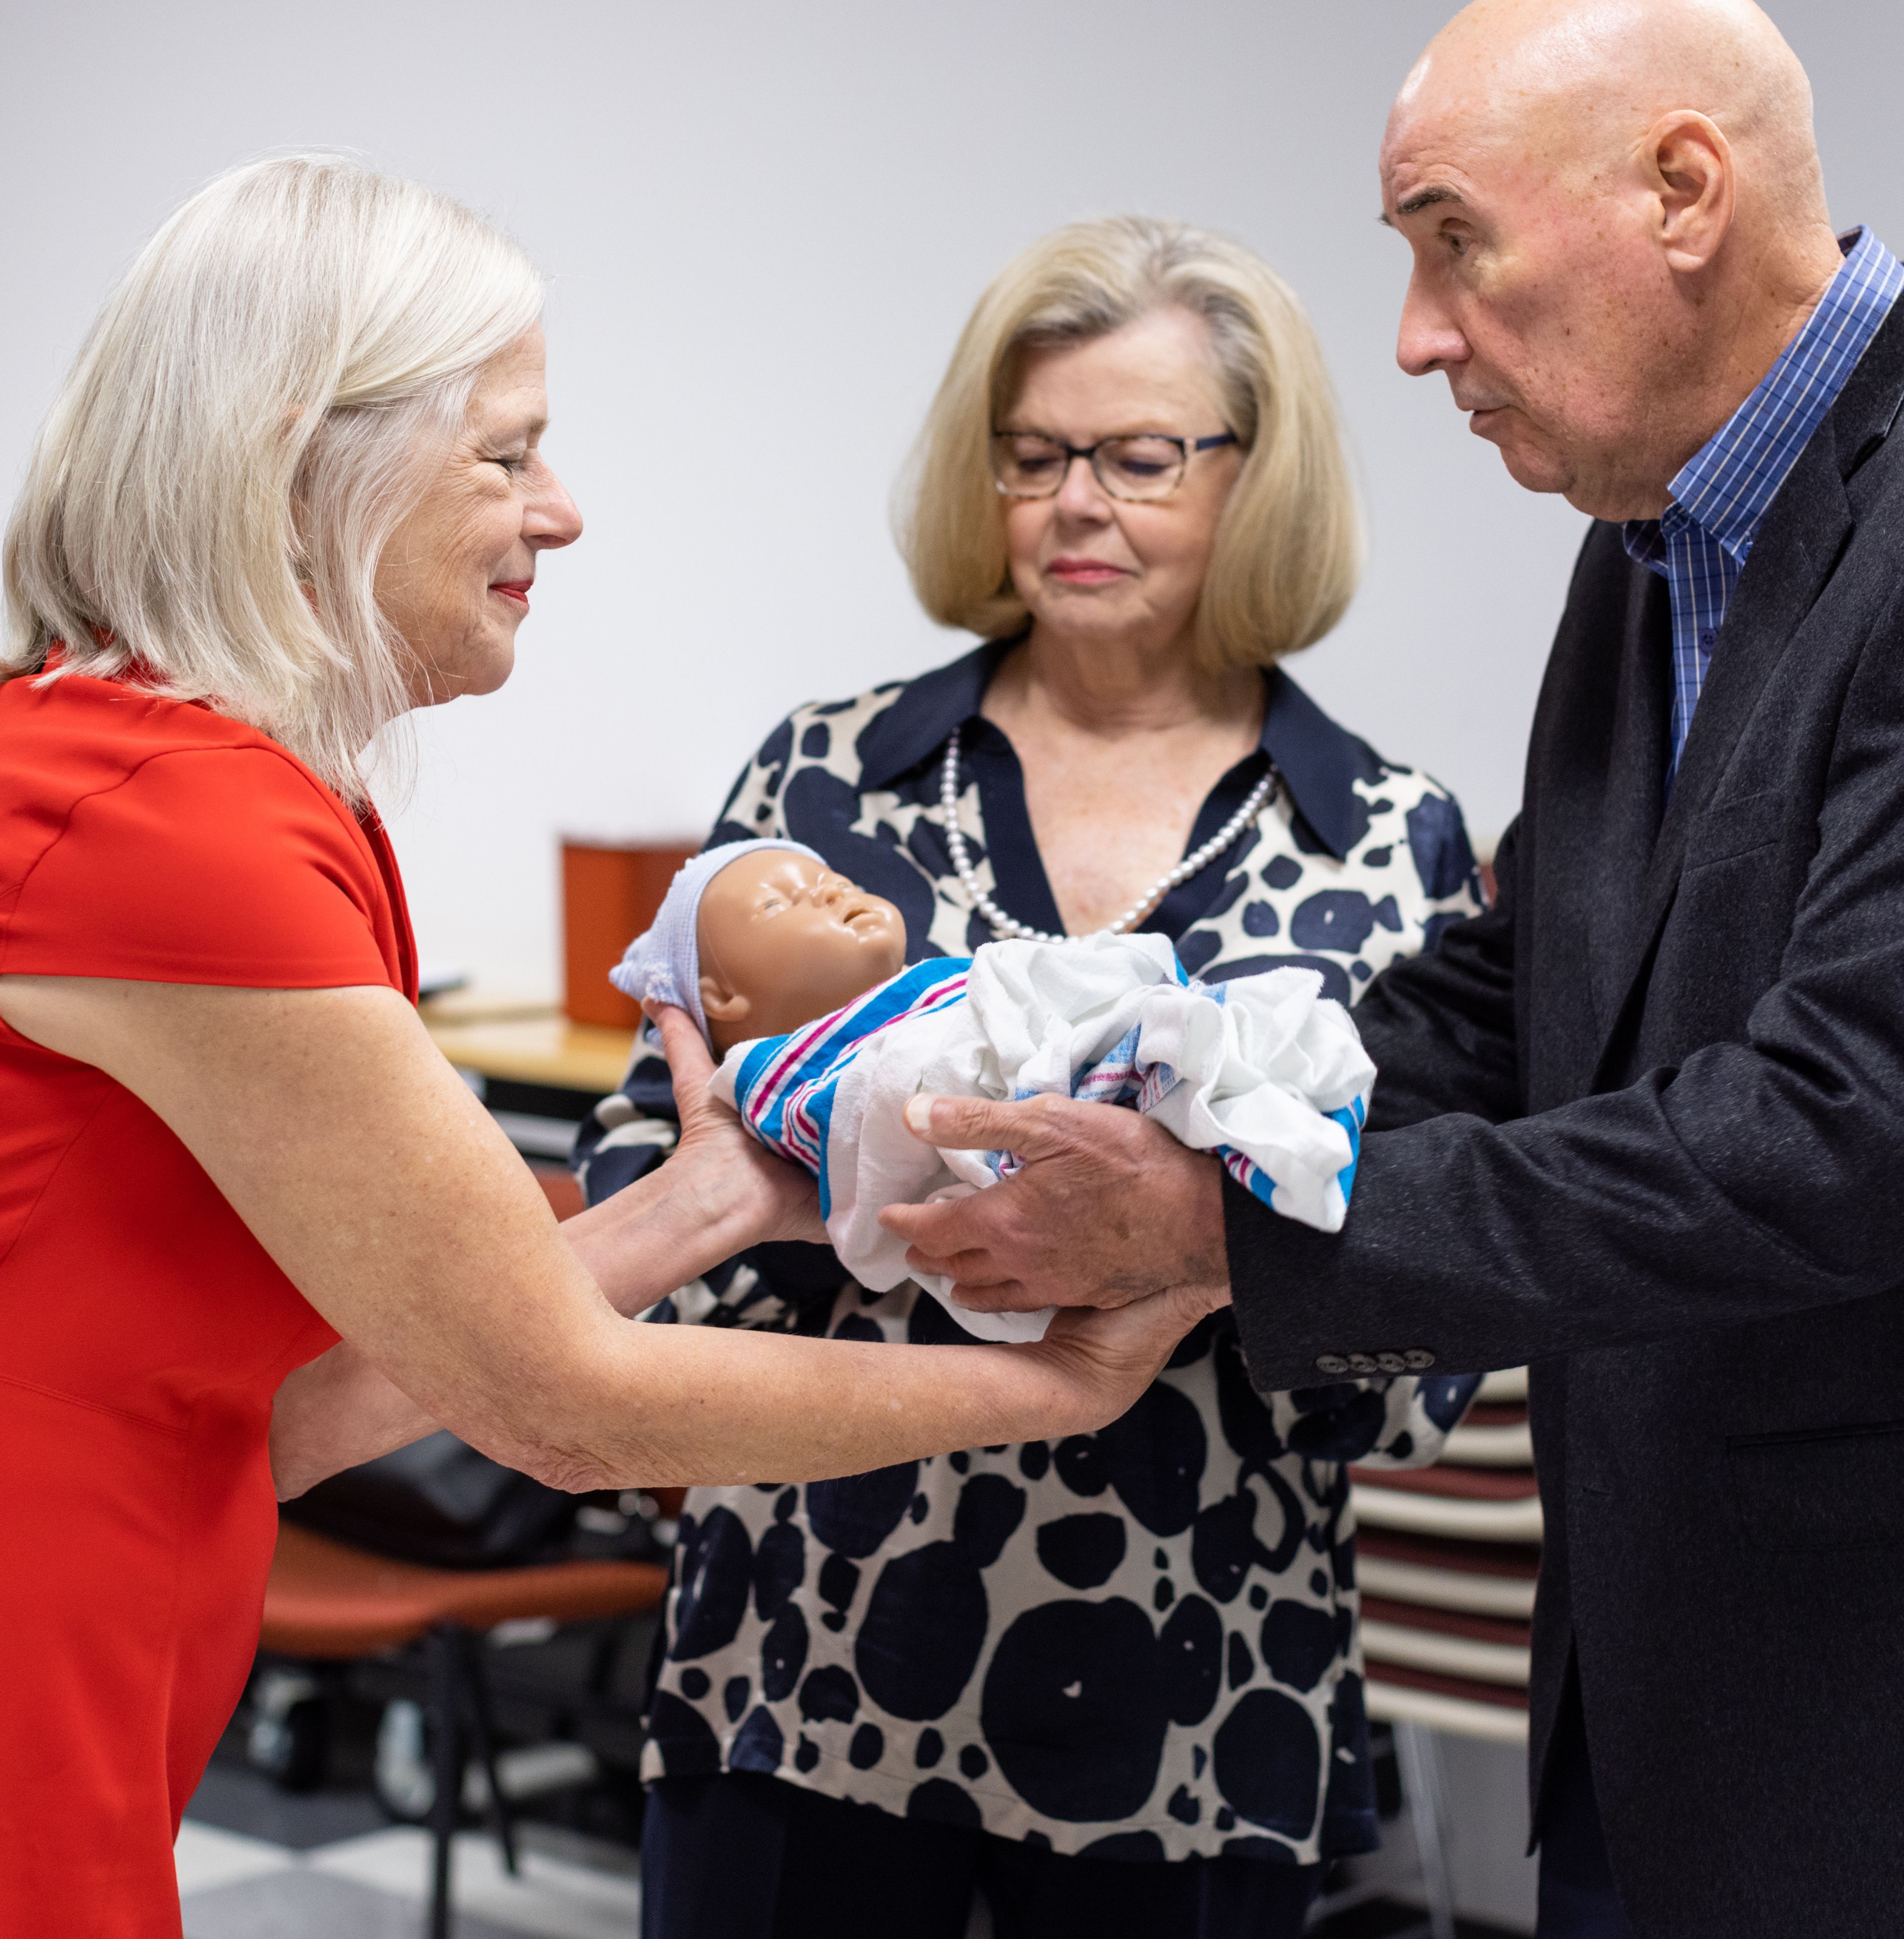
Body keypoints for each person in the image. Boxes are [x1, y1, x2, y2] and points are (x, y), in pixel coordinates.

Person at [893, 0, 1904, 1939]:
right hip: (1660, 1676)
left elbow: (1840, 1135)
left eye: (1452, 243)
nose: (1415, 337)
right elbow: (1521, 996)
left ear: (1681, 192)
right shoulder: (1659, 528)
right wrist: (1195, 1104)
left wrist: (1220, 1233)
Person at [0, 158, 1211, 1939]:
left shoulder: (202, 791)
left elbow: (281, 1407)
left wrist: (703, 1199)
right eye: (503, 452)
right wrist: (1065, 1386)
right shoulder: (159, 824)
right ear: (294, 460)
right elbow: (557, 1401)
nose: (555, 512)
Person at [577, 215, 1487, 1939]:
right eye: (1032, 456)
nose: (1076, 503)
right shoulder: (832, 773)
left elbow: (1430, 1335)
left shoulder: (1383, 836)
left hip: (1197, 1688)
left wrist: (1174, 1246)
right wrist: (839, 1205)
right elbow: (648, 1153)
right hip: (807, 1657)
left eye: (1140, 457)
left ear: (1255, 479)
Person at [607, 836, 1374, 1340]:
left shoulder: (933, 987)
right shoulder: (781, 1081)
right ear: (721, 999)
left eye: (828, 876)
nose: (828, 889)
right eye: (780, 903)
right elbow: (887, 1129)